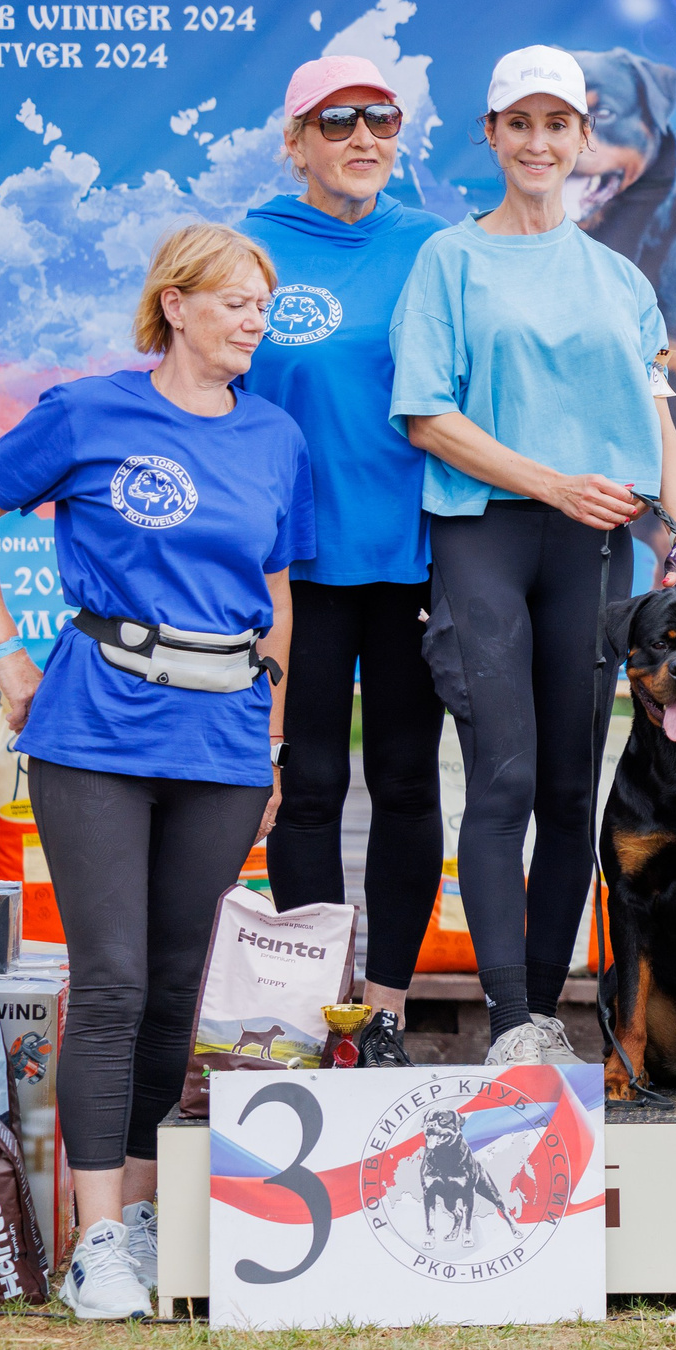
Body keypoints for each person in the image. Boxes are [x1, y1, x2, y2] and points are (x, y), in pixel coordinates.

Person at [0, 223, 312, 1319]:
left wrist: (271, 731)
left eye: (263, 305)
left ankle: (144, 1214)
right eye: (233, 300)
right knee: (111, 981)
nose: (252, 319)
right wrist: (6, 648)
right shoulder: (92, 412)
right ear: (175, 305)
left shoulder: (277, 436)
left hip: (225, 740)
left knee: (175, 994)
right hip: (97, 726)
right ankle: (96, 1244)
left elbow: (277, 587)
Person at [390, 45, 676, 1067]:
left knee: (573, 788)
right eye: (517, 123)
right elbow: (427, 415)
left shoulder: (620, 280)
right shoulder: (450, 259)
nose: (538, 142)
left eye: (556, 124)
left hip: (596, 549)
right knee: (504, 780)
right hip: (486, 534)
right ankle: (508, 1017)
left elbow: (658, 428)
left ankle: (546, 1027)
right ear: (491, 136)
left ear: (579, 139)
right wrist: (550, 481)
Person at [241, 56, 445, 1058]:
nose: (362, 138)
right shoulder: (250, 249)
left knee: (407, 780)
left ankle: (389, 1010)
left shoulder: (438, 247)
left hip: (412, 558)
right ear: (297, 140)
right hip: (295, 568)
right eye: (336, 123)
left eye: (379, 120)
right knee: (308, 781)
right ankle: (323, 1008)